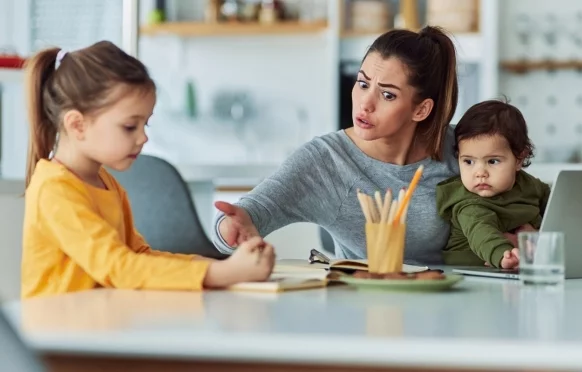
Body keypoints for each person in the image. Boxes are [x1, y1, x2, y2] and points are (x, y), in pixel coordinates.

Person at [21, 41, 275, 299]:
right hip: (56, 334)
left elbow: (137, 256)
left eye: (146, 125)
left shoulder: (105, 182)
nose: (143, 138)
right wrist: (223, 274)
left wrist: (220, 267)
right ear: (77, 125)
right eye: (130, 126)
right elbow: (118, 267)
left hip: (96, 326)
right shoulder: (55, 190)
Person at [212, 26, 461, 265]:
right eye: (363, 84)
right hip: (362, 301)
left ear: (421, 109)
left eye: (387, 95)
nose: (365, 103)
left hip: (457, 299)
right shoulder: (326, 161)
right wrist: (230, 226)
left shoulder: (462, 151)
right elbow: (250, 212)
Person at [436, 99, 551, 269]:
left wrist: (542, 237)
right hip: (471, 274)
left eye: (492, 161)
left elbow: (555, 208)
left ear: (519, 159)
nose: (480, 173)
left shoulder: (530, 186)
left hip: (520, 267)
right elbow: (482, 233)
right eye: (468, 162)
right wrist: (504, 255)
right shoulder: (469, 204)